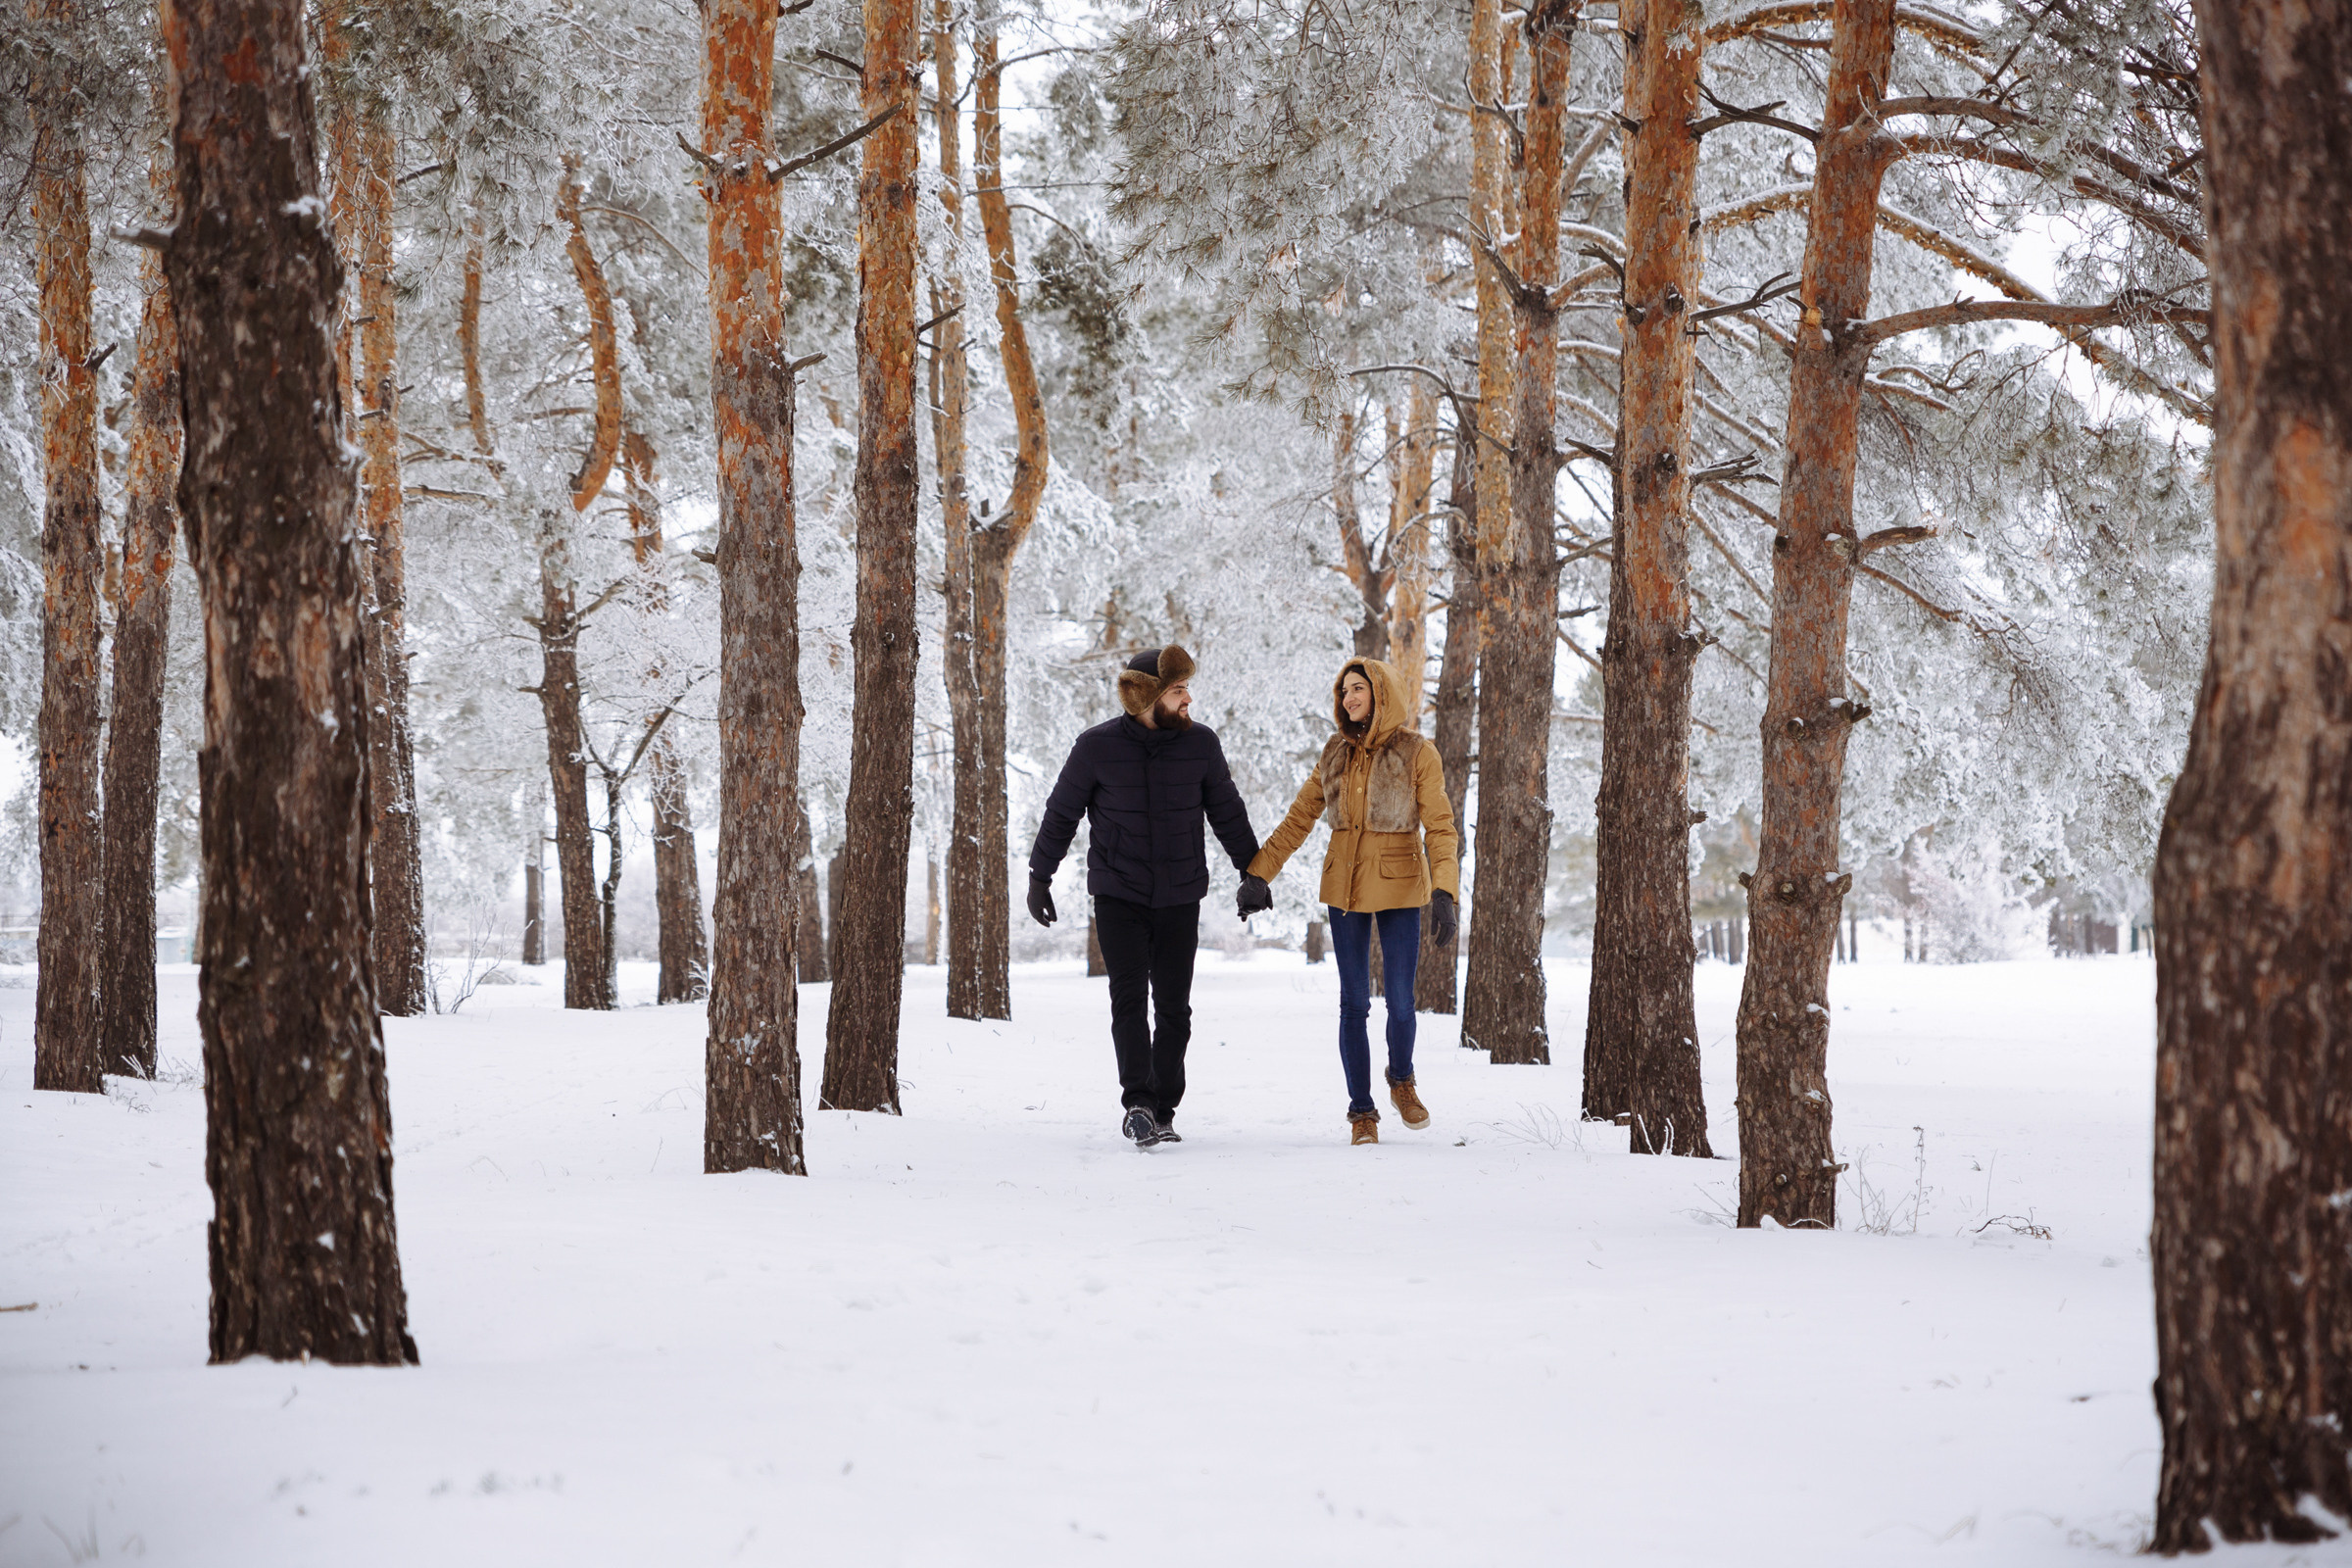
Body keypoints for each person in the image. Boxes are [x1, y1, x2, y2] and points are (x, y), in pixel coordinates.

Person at [1028, 645, 1260, 1148]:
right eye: (1178, 690)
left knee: (1174, 1007)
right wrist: (1039, 877)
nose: (1188, 699)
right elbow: (1061, 813)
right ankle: (1138, 1102)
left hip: (1179, 897)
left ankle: (1164, 1106)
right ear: (1149, 696)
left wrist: (1253, 872)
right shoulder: (1095, 747)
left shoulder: (1201, 745)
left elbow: (1228, 812)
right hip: (1119, 895)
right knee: (1128, 999)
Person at [1238, 658, 1458, 1145]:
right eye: (1344, 692)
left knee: (1401, 1001)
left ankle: (1401, 1078)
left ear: (1381, 693)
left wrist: (1445, 890)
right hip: (1345, 886)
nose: (1348, 699)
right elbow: (1299, 818)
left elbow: (1440, 826)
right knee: (1353, 1002)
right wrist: (1259, 875)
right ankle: (1362, 1110)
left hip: (1400, 883)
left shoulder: (1417, 752)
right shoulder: (1335, 751)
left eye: (1358, 689)